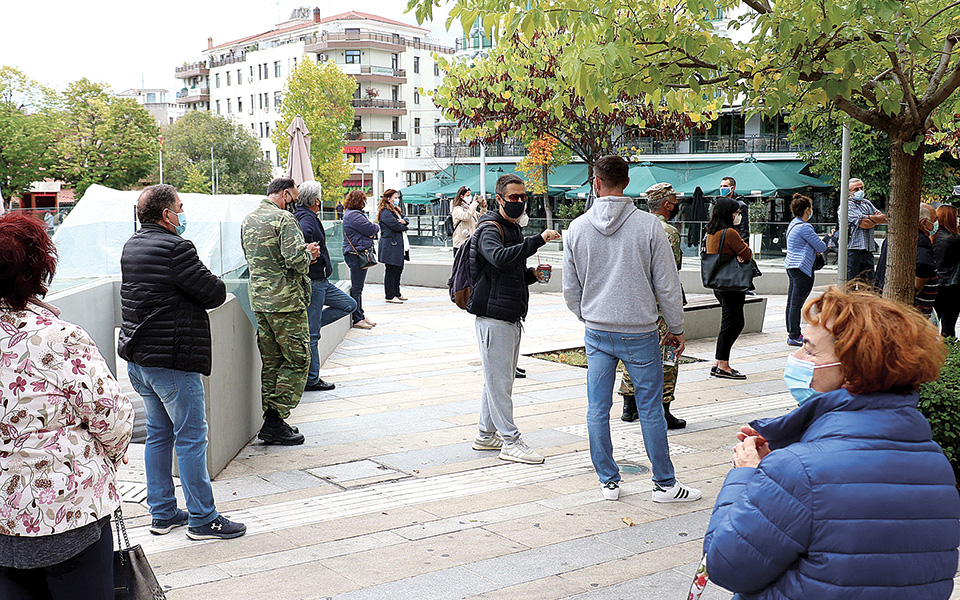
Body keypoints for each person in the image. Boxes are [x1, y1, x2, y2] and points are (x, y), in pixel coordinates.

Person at [703, 286, 960, 600]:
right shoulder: (936, 463)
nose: (796, 357)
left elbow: (726, 565)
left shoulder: (797, 470)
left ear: (853, 371)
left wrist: (746, 476)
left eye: (810, 351)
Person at [0, 212, 135, 599]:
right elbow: (111, 415)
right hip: (69, 511)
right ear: (38, 270)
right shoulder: (57, 338)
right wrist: (113, 451)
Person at [563, 157, 700, 503]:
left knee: (597, 407)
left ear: (595, 183)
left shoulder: (577, 228)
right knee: (651, 408)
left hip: (597, 330)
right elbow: (667, 287)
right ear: (627, 182)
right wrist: (677, 327)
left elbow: (570, 288)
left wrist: (587, 314)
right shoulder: (649, 227)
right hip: (640, 331)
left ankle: (608, 481)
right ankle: (665, 484)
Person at [118, 184, 246, 540]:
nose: (183, 212)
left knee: (158, 435)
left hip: (139, 358)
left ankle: (162, 513)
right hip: (172, 360)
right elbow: (214, 292)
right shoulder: (177, 247)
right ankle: (203, 519)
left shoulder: (133, 245)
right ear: (166, 215)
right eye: (180, 206)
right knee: (191, 438)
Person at [468, 173, 561, 464]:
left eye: (524, 197)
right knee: (499, 382)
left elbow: (507, 270)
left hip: (508, 313)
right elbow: (497, 258)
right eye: (514, 198)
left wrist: (530, 276)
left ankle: (486, 435)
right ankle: (510, 441)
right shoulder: (490, 228)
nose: (520, 202)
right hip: (493, 315)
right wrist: (538, 241)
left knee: (498, 379)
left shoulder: (511, 228)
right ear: (499, 199)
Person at [241, 177, 321, 446]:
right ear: (285, 194)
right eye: (294, 198)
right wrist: (309, 253)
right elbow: (296, 261)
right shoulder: (284, 221)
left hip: (260, 302)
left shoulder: (249, 220)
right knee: (298, 359)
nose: (295, 203)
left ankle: (272, 419)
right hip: (286, 303)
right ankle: (275, 419)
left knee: (273, 362)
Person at [618, 181, 687, 430]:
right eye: (675, 203)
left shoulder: (635, 226)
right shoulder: (667, 231)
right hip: (661, 306)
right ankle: (664, 407)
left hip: (635, 302)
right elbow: (671, 271)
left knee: (633, 354)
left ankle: (629, 405)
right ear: (668, 205)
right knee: (668, 354)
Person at [294, 180, 357, 392]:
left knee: (349, 304)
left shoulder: (305, 215)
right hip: (315, 282)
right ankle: (312, 379)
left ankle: (312, 326)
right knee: (313, 336)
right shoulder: (306, 219)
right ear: (315, 200)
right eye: (319, 198)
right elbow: (303, 237)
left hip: (321, 281)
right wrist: (309, 252)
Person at [704, 197, 753, 380]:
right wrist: (741, 252)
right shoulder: (730, 233)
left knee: (731, 322)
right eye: (735, 213)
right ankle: (722, 364)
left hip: (720, 284)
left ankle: (719, 363)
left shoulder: (711, 232)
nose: (737, 216)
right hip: (732, 284)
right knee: (732, 324)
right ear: (728, 214)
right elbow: (746, 253)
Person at [875, 203, 938, 316]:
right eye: (934, 220)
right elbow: (924, 265)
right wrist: (914, 290)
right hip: (913, 310)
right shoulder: (921, 240)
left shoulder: (892, 237)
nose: (936, 224)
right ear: (923, 223)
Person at [783, 193, 827, 346]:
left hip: (791, 266)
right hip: (802, 268)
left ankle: (792, 332)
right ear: (807, 210)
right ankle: (794, 335)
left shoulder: (793, 224)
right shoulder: (805, 227)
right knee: (797, 303)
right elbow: (821, 246)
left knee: (791, 302)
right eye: (811, 209)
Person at [341, 190, 380, 328]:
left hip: (354, 253)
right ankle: (357, 318)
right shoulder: (355, 216)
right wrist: (374, 229)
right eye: (363, 200)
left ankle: (360, 315)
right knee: (357, 288)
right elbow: (371, 228)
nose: (365, 203)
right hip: (356, 255)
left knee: (359, 287)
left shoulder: (351, 214)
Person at [842, 177, 887, 283]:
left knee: (868, 284)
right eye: (856, 189)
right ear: (849, 192)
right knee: (850, 284)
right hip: (853, 250)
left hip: (868, 249)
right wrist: (873, 219)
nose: (860, 191)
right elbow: (864, 224)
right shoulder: (846, 206)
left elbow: (884, 219)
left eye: (861, 188)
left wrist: (867, 217)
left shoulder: (866, 203)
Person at [378, 189, 409, 304]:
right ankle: (390, 295)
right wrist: (404, 225)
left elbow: (405, 218)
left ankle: (397, 292)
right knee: (391, 270)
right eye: (395, 198)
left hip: (397, 244)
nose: (397, 200)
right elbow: (396, 226)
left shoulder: (395, 210)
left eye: (397, 198)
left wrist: (404, 222)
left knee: (398, 269)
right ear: (388, 198)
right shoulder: (385, 212)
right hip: (390, 245)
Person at [933, 204, 960, 337]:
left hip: (935, 284)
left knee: (935, 320)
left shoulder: (932, 238)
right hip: (951, 285)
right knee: (948, 326)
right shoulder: (955, 239)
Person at [719, 176, 750, 243]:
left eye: (725, 186)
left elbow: (744, 227)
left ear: (732, 188)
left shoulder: (740, 205)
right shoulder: (719, 203)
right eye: (721, 186)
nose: (722, 188)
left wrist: (744, 244)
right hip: (720, 238)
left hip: (734, 239)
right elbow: (713, 222)